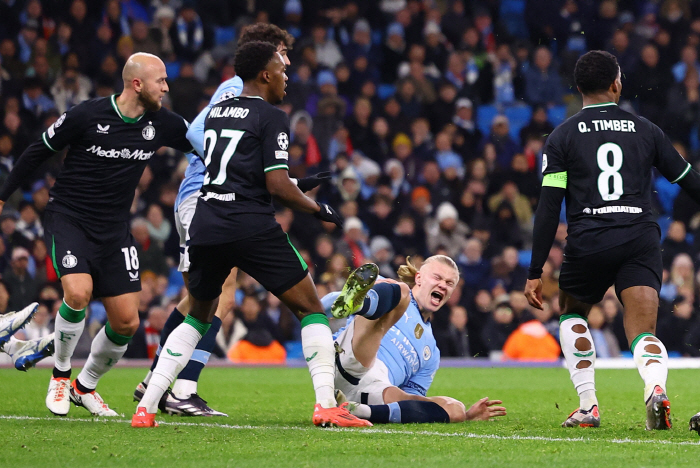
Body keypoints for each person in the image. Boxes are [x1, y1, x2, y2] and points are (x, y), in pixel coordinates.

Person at [132, 41, 369, 428]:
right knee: (311, 309)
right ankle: (326, 405)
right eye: (282, 69)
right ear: (265, 74)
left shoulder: (217, 110)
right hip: (249, 224)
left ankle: (146, 407)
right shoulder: (273, 116)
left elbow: (237, 168)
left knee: (198, 314)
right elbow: (275, 185)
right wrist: (317, 208)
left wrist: (294, 182)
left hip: (207, 222)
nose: (287, 77)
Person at [0, 52, 193, 417]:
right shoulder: (86, 115)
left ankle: (83, 386)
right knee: (78, 292)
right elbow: (38, 150)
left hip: (114, 230)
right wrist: (2, 195)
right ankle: (59, 375)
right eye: (160, 81)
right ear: (137, 84)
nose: (166, 87)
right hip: (70, 219)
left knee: (126, 322)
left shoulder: (163, 123)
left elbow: (210, 149)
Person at [523, 50, 700, 431]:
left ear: (577, 88)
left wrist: (535, 269)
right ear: (616, 84)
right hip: (639, 236)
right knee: (642, 331)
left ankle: (588, 404)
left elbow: (549, 208)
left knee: (572, 313)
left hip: (590, 238)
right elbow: (688, 180)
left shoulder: (562, 137)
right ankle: (655, 387)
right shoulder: (646, 129)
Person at [325, 257, 506, 424]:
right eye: (437, 278)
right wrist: (312, 316)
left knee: (456, 408)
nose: (443, 285)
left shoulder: (432, 352)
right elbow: (333, 302)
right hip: (344, 359)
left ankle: (357, 411)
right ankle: (362, 303)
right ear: (419, 279)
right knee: (398, 291)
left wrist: (459, 415)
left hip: (373, 389)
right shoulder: (392, 292)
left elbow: (411, 400)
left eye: (449, 283)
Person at [0, 302, 55, 371]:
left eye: (44, 315)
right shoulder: (27, 328)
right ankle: (17, 349)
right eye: (40, 314)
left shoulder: (47, 328)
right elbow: (20, 335)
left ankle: (17, 348)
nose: (42, 317)